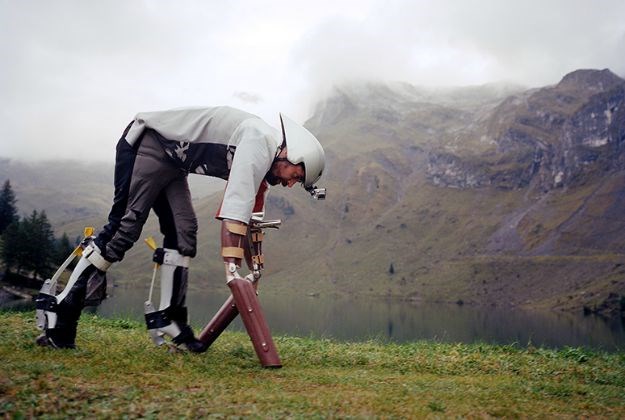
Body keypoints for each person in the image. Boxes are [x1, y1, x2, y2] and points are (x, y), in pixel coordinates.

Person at [36, 106, 325, 351]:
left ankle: (169, 319)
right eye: (295, 176)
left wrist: (256, 269)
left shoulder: (265, 165)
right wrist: (232, 269)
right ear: (290, 154)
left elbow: (251, 222)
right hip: (148, 144)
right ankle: (61, 309)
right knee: (125, 226)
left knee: (184, 232)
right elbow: (235, 212)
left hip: (173, 162)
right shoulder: (258, 140)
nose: (289, 184)